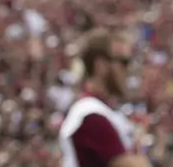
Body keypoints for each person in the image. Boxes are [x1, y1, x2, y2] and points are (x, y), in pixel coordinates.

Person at [59, 32, 149, 167]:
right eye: (124, 62)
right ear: (101, 65)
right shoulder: (91, 115)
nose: (128, 70)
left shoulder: (102, 112)